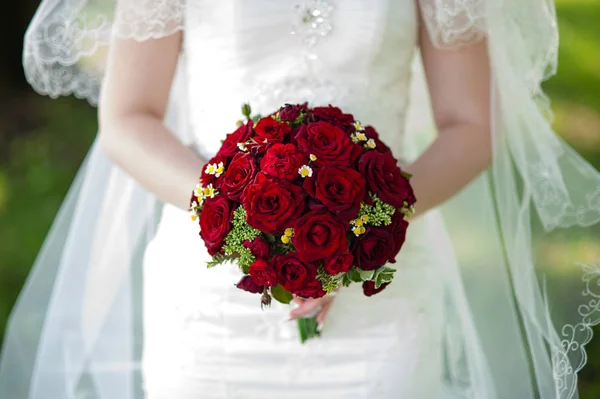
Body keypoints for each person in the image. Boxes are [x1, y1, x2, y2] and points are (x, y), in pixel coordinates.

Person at [1, 0, 599, 398]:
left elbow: (471, 125)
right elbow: (128, 119)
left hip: (378, 300)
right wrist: (235, 213)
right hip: (210, 307)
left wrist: (366, 226)